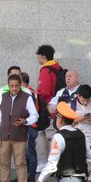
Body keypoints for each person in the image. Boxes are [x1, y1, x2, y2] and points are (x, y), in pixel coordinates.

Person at [0, 74, 38, 182]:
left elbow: (35, 116)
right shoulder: (2, 96)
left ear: (20, 85)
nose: (14, 88)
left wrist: (25, 121)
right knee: (4, 164)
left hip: (20, 137)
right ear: (8, 86)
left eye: (16, 86)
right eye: (11, 86)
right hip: (4, 136)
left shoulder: (27, 97)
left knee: (21, 164)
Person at [0, 66, 23, 182]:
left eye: (18, 75)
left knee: (20, 161)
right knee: (1, 160)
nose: (16, 77)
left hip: (19, 133)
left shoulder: (25, 92)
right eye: (13, 75)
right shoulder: (0, 91)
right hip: (3, 132)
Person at [35, 45, 62, 174]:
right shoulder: (57, 68)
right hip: (57, 108)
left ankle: (46, 163)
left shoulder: (46, 70)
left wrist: (45, 106)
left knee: (43, 134)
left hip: (47, 109)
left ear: (43, 56)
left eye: (38, 56)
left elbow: (44, 91)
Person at [20, 72, 41, 182]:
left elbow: (31, 110)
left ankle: (31, 177)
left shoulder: (29, 92)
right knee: (25, 153)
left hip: (30, 126)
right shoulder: (29, 91)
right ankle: (25, 175)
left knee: (30, 152)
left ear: (22, 81)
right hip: (27, 125)